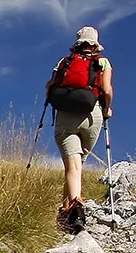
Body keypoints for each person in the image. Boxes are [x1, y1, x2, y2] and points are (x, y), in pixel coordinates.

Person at [44, 26, 113, 231]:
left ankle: (76, 211)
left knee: (72, 166)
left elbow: (50, 86)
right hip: (92, 116)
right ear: (95, 44)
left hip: (66, 116)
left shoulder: (64, 62)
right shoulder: (102, 62)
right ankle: (66, 210)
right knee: (77, 165)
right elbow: (107, 90)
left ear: (78, 42)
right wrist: (107, 108)